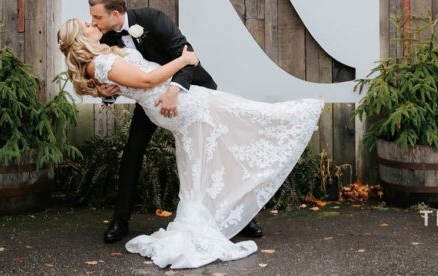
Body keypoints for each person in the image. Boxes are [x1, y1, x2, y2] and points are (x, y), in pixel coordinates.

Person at [57, 17, 323, 269]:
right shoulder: (100, 63)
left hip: (172, 102)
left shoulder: (112, 47)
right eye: (86, 24)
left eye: (92, 19)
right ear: (80, 37)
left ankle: (213, 217)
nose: (92, 23)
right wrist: (184, 60)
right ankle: (299, 116)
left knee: (201, 163)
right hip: (175, 103)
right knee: (247, 116)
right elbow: (147, 79)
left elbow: (126, 78)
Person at [86, 0, 264, 243]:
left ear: (115, 14)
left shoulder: (152, 19)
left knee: (216, 154)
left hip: (192, 92)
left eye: (97, 17)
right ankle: (120, 221)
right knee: (132, 152)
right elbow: (115, 81)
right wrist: (105, 93)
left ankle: (243, 218)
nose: (93, 22)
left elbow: (187, 55)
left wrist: (173, 91)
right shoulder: (105, 40)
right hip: (150, 104)